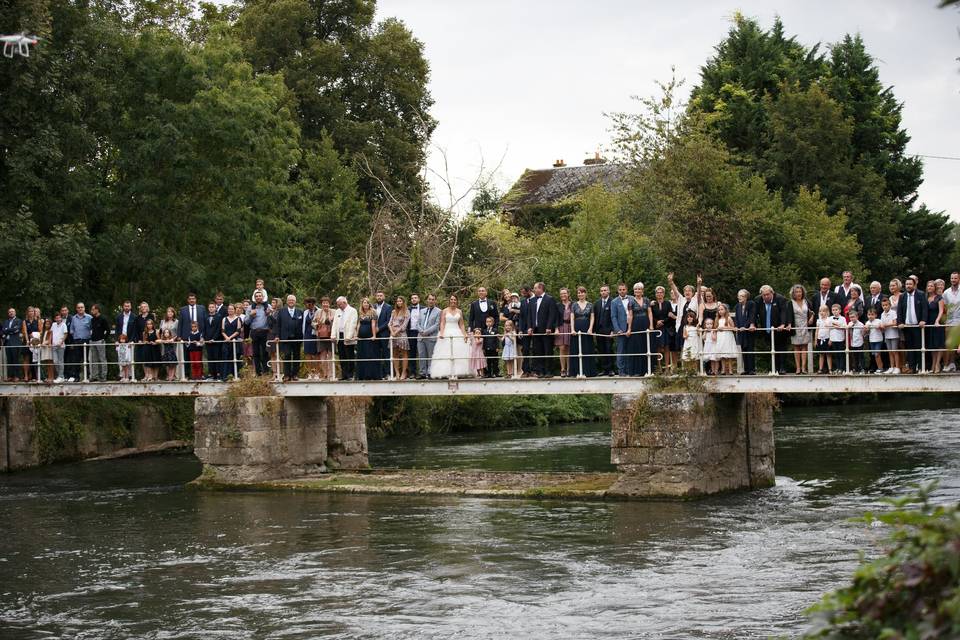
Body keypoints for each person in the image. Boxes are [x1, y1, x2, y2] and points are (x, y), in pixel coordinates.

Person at [430, 294, 473, 378]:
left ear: (457, 301)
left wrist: (464, 334)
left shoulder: (459, 311)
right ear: (449, 300)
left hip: (457, 331)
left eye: (454, 299)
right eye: (451, 299)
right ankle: (446, 372)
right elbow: (442, 323)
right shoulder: (444, 311)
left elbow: (461, 325)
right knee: (446, 353)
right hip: (447, 332)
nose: (453, 301)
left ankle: (458, 372)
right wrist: (442, 333)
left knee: (458, 353)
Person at [754, 285, 791, 374]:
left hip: (779, 329)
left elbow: (784, 312)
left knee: (781, 348)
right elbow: (755, 313)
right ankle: (773, 368)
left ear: (772, 293)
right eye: (764, 295)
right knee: (770, 349)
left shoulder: (780, 299)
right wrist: (754, 324)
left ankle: (782, 368)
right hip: (766, 329)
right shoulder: (758, 300)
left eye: (768, 294)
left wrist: (782, 324)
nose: (766, 297)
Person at [897, 276, 927, 373]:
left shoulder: (921, 294)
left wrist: (923, 320)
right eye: (906, 284)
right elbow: (899, 311)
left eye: (910, 284)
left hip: (918, 326)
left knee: (919, 347)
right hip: (907, 327)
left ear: (914, 285)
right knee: (910, 348)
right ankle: (912, 367)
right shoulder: (902, 296)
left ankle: (920, 367)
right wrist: (900, 322)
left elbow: (924, 309)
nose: (908, 286)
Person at [527, 282, 558, 377]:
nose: (533, 290)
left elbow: (552, 314)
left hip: (546, 330)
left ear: (540, 289)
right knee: (538, 351)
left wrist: (549, 327)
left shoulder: (550, 299)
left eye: (535, 288)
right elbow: (530, 315)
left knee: (548, 350)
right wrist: (529, 327)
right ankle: (541, 371)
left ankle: (549, 371)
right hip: (535, 330)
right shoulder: (532, 301)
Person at [628, 282, 653, 376]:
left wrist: (651, 325)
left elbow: (650, 313)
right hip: (635, 326)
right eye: (636, 289)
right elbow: (630, 316)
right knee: (637, 347)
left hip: (645, 324)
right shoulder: (631, 302)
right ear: (634, 291)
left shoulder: (646, 300)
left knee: (646, 346)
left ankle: (647, 370)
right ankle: (637, 371)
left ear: (642, 291)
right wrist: (629, 329)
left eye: (639, 289)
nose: (637, 291)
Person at [570, 286, 595, 378]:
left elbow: (592, 317)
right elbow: (572, 318)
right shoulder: (574, 305)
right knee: (576, 350)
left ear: (585, 293)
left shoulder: (590, 305)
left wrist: (590, 328)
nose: (580, 294)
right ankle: (576, 371)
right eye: (579, 293)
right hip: (576, 328)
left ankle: (588, 372)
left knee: (587, 348)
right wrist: (572, 329)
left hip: (587, 328)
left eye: (582, 292)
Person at [244, 292, 272, 376]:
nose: (258, 297)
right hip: (254, 332)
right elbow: (246, 322)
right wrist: (251, 315)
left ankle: (266, 372)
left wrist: (269, 314)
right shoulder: (250, 308)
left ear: (263, 297)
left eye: (260, 296)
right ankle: (258, 372)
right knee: (255, 353)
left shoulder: (268, 306)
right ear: (254, 298)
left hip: (265, 331)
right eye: (257, 296)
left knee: (265, 352)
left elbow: (273, 320)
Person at [277, 295, 303, 381]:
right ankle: (287, 375)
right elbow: (278, 325)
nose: (291, 301)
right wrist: (277, 336)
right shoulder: (281, 312)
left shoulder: (300, 312)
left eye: (293, 300)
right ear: (287, 302)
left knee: (296, 356)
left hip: (297, 338)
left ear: (295, 302)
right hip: (285, 338)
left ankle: (295, 374)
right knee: (287, 356)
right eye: (289, 300)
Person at [332, 296, 358, 380]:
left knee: (349, 356)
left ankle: (350, 375)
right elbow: (335, 324)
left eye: (340, 304)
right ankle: (344, 375)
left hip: (348, 336)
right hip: (340, 336)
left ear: (344, 303)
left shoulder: (352, 311)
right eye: (338, 304)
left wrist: (349, 336)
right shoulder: (337, 311)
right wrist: (333, 335)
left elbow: (353, 324)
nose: (339, 306)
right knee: (342, 356)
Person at [789, 285, 813, 375]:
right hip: (796, 326)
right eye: (797, 292)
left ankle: (803, 368)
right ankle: (798, 368)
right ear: (793, 293)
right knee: (796, 347)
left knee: (804, 347)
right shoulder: (790, 303)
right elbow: (788, 315)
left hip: (805, 326)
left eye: (800, 291)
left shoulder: (806, 302)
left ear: (802, 292)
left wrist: (811, 317)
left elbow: (812, 311)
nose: (798, 293)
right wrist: (789, 324)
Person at [651, 285, 675, 374]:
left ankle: (668, 369)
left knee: (666, 347)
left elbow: (670, 315)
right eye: (658, 292)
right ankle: (659, 368)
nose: (659, 294)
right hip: (657, 328)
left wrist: (663, 321)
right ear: (656, 294)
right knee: (657, 348)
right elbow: (651, 315)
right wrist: (657, 322)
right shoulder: (653, 304)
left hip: (665, 327)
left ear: (664, 294)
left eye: (661, 292)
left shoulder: (667, 303)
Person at [610, 283, 632, 377]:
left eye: (623, 289)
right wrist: (617, 329)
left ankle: (629, 369)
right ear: (618, 291)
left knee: (630, 349)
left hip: (631, 327)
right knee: (621, 350)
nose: (622, 291)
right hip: (621, 329)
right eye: (620, 289)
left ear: (626, 290)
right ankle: (621, 370)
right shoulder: (614, 302)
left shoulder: (632, 298)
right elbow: (613, 317)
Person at [356, 298, 380, 381]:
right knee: (362, 355)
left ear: (369, 304)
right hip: (361, 338)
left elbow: (373, 324)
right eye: (364, 303)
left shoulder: (373, 312)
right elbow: (358, 324)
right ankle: (362, 375)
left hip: (369, 337)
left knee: (369, 354)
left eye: (366, 303)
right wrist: (357, 335)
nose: (365, 304)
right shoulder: (361, 313)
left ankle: (371, 374)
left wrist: (374, 335)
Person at [417, 294, 440, 379]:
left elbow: (437, 325)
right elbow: (417, 323)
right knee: (421, 355)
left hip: (431, 337)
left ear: (435, 301)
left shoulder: (438, 311)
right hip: (421, 337)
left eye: (433, 299)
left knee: (431, 356)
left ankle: (430, 372)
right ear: (427, 300)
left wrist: (426, 332)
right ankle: (422, 373)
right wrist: (421, 331)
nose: (431, 301)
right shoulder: (422, 311)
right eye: (429, 299)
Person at [593, 285, 614, 376]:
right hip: (599, 331)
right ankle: (604, 369)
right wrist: (594, 330)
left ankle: (610, 370)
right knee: (601, 350)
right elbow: (594, 317)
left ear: (608, 291)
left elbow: (614, 317)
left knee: (609, 349)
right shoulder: (597, 303)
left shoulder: (613, 302)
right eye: (601, 291)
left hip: (609, 331)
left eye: (605, 290)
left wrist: (613, 330)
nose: (603, 292)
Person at [67, 303, 92, 382]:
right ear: (76, 309)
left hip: (86, 341)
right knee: (76, 359)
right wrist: (75, 335)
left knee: (86, 359)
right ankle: (76, 377)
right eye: (79, 307)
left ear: (84, 308)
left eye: (82, 307)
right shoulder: (73, 318)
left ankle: (87, 376)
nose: (80, 309)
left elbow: (93, 329)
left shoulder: (89, 317)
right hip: (77, 341)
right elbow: (71, 330)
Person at [925, 280, 946, 374]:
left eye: (931, 286)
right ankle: (933, 364)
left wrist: (937, 320)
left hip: (937, 323)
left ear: (935, 287)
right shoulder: (925, 298)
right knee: (932, 344)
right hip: (929, 323)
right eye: (928, 286)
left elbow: (941, 311)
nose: (930, 288)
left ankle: (938, 364)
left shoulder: (939, 298)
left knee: (939, 343)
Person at [734, 289, 757, 375]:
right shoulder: (737, 306)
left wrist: (746, 326)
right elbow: (736, 318)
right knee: (743, 349)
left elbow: (752, 315)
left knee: (750, 349)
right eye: (739, 296)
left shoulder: (751, 304)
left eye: (742, 296)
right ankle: (746, 369)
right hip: (741, 331)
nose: (740, 298)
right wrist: (736, 326)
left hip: (749, 330)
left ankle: (752, 369)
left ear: (746, 297)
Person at [389, 296, 411, 380]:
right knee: (395, 354)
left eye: (400, 301)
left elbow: (404, 326)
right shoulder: (393, 312)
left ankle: (404, 372)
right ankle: (397, 372)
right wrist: (392, 332)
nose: (399, 302)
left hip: (402, 335)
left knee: (404, 354)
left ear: (403, 302)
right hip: (393, 335)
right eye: (397, 301)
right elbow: (389, 323)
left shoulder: (407, 312)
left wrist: (395, 332)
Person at [313, 297, 335, 380]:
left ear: (329, 303)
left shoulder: (334, 312)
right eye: (323, 303)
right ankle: (325, 373)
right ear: (321, 304)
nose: (325, 304)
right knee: (322, 357)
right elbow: (313, 322)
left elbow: (337, 322)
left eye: (327, 303)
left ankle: (331, 374)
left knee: (330, 356)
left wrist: (331, 320)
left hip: (331, 336)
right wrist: (317, 324)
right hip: (321, 335)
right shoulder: (318, 312)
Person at [88, 304, 111, 382]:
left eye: (93, 309)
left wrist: (103, 339)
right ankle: (95, 376)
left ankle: (103, 376)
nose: (92, 311)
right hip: (93, 341)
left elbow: (108, 330)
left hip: (100, 341)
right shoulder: (92, 319)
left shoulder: (103, 319)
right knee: (94, 359)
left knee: (102, 358)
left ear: (97, 310)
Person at [159, 306, 182, 381]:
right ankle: (168, 375)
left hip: (173, 343)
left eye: (171, 312)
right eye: (168, 312)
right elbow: (159, 332)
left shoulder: (176, 321)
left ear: (173, 313)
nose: (170, 313)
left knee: (173, 359)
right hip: (164, 343)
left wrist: (173, 339)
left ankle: (174, 375)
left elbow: (178, 333)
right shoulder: (162, 321)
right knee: (166, 358)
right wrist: (161, 340)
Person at [943, 271, 960, 372]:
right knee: (950, 344)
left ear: (959, 279)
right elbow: (944, 308)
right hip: (949, 322)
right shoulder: (946, 292)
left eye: (955, 278)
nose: (953, 280)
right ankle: (951, 363)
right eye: (952, 278)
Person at [714, 304, 738, 375]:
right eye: (719, 310)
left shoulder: (729, 318)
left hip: (728, 337)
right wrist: (717, 330)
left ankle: (730, 370)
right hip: (721, 338)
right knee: (722, 354)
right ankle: (723, 370)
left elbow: (733, 328)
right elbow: (715, 328)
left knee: (729, 353)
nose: (720, 311)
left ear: (725, 310)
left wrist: (724, 328)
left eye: (722, 309)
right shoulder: (717, 319)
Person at [221, 304, 244, 379]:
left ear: (234, 310)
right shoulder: (224, 319)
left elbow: (238, 331)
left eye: (231, 309)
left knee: (235, 357)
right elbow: (222, 330)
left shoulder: (238, 319)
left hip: (234, 341)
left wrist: (230, 338)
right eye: (229, 309)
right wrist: (226, 338)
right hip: (226, 341)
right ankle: (225, 376)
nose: (230, 310)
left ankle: (235, 375)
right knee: (225, 357)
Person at [373, 291, 392, 379]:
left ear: (384, 297)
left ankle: (387, 373)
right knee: (376, 354)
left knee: (386, 354)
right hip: (374, 335)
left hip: (384, 334)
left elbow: (388, 321)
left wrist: (379, 329)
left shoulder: (388, 307)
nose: (379, 297)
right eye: (378, 296)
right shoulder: (373, 306)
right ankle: (378, 374)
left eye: (381, 296)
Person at [554, 288, 572, 377]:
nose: (563, 295)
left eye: (564, 293)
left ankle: (569, 369)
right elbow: (555, 318)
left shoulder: (573, 304)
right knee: (562, 348)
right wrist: (556, 328)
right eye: (561, 294)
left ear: (568, 294)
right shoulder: (557, 305)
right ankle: (563, 369)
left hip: (570, 327)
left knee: (568, 348)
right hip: (561, 327)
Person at [880, 298, 901, 374]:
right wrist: (881, 327)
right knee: (890, 352)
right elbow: (882, 325)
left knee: (895, 351)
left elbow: (895, 323)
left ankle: (897, 367)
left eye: (886, 305)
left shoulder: (893, 312)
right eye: (883, 305)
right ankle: (891, 367)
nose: (885, 307)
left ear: (890, 305)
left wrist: (885, 325)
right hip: (887, 335)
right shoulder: (882, 314)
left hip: (894, 335)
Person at [301, 297, 319, 379]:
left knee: (316, 354)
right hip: (307, 334)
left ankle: (316, 372)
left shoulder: (319, 311)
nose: (308, 305)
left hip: (316, 335)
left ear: (313, 304)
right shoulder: (305, 312)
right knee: (308, 354)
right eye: (306, 304)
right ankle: (310, 373)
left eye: (309, 304)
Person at [517, 286, 533, 376]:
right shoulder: (522, 302)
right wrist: (520, 330)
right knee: (525, 349)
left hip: (535, 329)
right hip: (525, 330)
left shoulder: (536, 299)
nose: (522, 295)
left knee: (536, 350)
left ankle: (535, 370)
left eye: (524, 293)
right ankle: (526, 370)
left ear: (529, 291)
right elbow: (521, 317)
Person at [203, 301, 222, 380]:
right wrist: (205, 338)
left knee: (216, 357)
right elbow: (204, 328)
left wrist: (213, 338)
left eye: (212, 307)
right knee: (210, 358)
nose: (211, 308)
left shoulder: (219, 316)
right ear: (208, 308)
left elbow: (218, 329)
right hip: (207, 341)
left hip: (216, 340)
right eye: (210, 307)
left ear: (215, 308)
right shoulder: (205, 316)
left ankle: (217, 374)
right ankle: (211, 374)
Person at [22, 307, 41, 381]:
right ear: (27, 312)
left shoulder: (38, 321)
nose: (31, 312)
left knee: (35, 359)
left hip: (36, 342)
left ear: (34, 312)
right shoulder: (25, 321)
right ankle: (26, 376)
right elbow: (25, 332)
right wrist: (27, 341)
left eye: (32, 311)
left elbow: (41, 331)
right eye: (29, 311)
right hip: (27, 342)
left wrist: (36, 338)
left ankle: (35, 376)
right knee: (26, 358)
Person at [865, 308, 884, 374]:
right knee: (874, 354)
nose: (870, 316)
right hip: (871, 340)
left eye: (872, 314)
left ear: (875, 315)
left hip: (878, 340)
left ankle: (880, 368)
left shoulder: (878, 321)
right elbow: (866, 333)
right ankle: (878, 368)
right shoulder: (867, 322)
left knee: (877, 354)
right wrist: (866, 329)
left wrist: (879, 327)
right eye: (869, 314)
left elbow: (883, 329)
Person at [407, 293, 423, 378]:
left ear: (419, 299)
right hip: (410, 332)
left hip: (421, 332)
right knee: (411, 353)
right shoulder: (407, 309)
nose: (414, 299)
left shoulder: (424, 309)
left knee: (421, 352)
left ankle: (422, 372)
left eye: (415, 298)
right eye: (412, 298)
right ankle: (412, 372)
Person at [828, 304, 847, 374]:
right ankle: (837, 367)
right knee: (836, 354)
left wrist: (835, 325)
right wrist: (836, 325)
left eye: (836, 310)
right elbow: (827, 326)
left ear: (840, 311)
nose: (835, 311)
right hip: (833, 339)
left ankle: (842, 368)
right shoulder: (830, 318)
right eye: (833, 310)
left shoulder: (843, 318)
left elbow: (844, 327)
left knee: (841, 354)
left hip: (840, 339)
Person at [814, 306, 832, 374]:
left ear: (827, 312)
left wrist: (830, 339)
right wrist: (815, 340)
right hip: (820, 339)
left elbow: (830, 330)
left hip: (827, 338)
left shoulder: (829, 320)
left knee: (828, 354)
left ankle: (830, 369)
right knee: (821, 354)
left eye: (823, 311)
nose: (822, 313)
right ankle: (820, 369)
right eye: (820, 311)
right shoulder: (818, 320)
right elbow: (816, 330)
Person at [847, 309, 865, 373]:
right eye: (850, 317)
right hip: (853, 343)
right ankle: (856, 368)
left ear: (857, 317)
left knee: (861, 356)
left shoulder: (861, 324)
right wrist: (849, 327)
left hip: (860, 342)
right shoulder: (849, 323)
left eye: (853, 317)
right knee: (854, 357)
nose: (851, 319)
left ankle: (862, 368)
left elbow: (863, 334)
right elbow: (848, 331)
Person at [38, 317, 53, 383]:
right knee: (47, 363)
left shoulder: (51, 331)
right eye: (46, 324)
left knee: (50, 363)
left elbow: (49, 340)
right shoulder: (43, 332)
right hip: (44, 348)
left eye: (48, 324)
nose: (47, 325)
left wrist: (44, 343)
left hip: (48, 348)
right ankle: (48, 376)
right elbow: (42, 339)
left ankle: (51, 377)